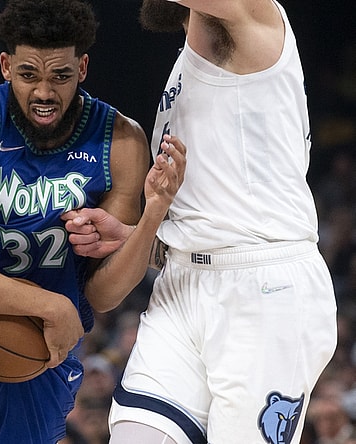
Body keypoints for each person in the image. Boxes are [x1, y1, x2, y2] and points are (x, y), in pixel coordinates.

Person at [0, 0, 186, 443]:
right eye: (29, 74)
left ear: (82, 68)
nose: (44, 92)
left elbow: (103, 293)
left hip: (42, 348)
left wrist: (153, 212)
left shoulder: (120, 139)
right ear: (6, 66)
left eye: (60, 76)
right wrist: (45, 303)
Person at [104, 1, 339, 443]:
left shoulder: (255, 14)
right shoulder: (185, 66)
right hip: (181, 285)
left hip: (266, 295)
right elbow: (212, 217)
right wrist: (137, 238)